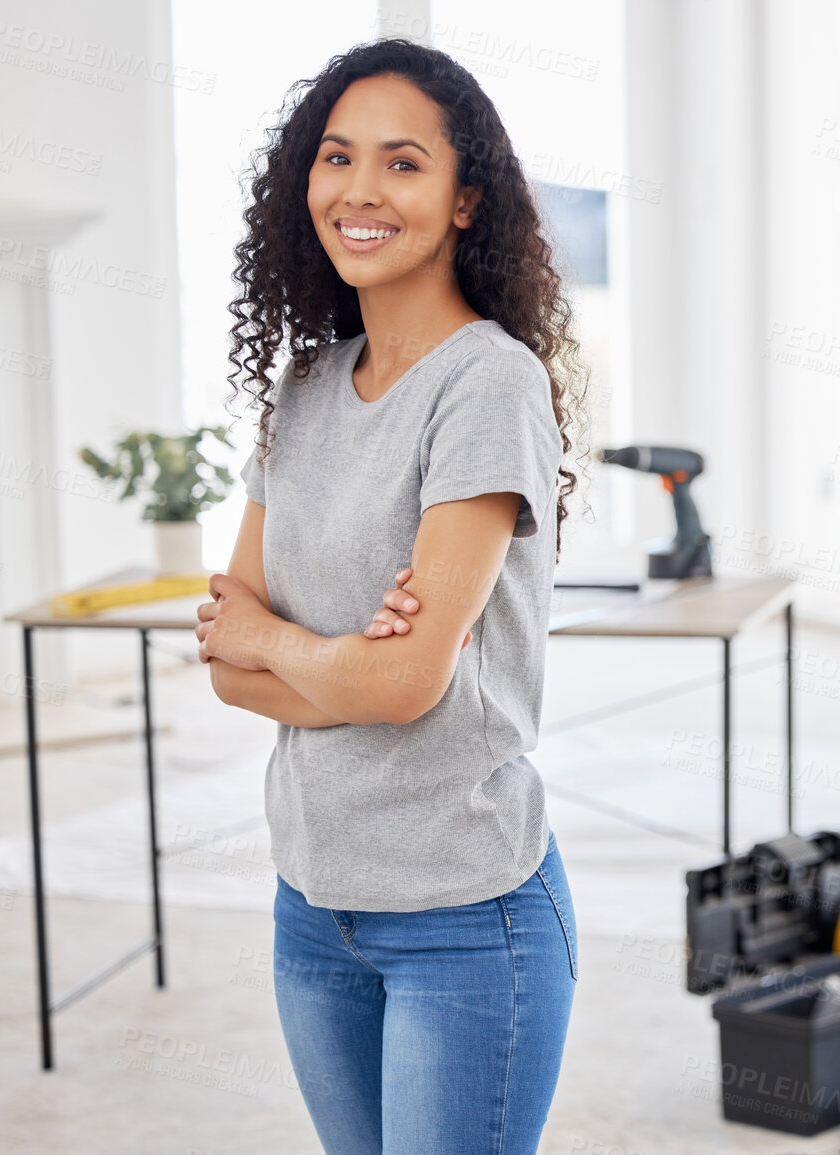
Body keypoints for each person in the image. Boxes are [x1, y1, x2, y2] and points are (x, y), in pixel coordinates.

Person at [194, 37, 587, 1155]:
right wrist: (340, 664)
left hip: (467, 914)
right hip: (311, 903)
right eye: (336, 158)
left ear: (467, 199)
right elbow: (227, 670)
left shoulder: (487, 383)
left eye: (403, 164)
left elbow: (404, 679)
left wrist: (280, 639)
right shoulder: (304, 387)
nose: (360, 191)